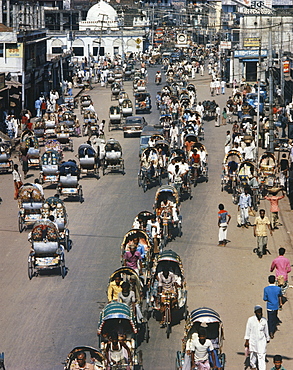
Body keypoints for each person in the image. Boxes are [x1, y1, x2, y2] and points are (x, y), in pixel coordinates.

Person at [244, 305, 270, 370]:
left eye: (261, 312)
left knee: (262, 355)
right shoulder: (250, 320)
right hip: (253, 341)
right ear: (255, 312)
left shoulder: (264, 321)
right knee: (253, 354)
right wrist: (247, 341)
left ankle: (262, 368)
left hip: (262, 341)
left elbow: (266, 330)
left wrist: (267, 338)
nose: (260, 314)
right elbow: (248, 330)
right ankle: (253, 365)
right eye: (258, 312)